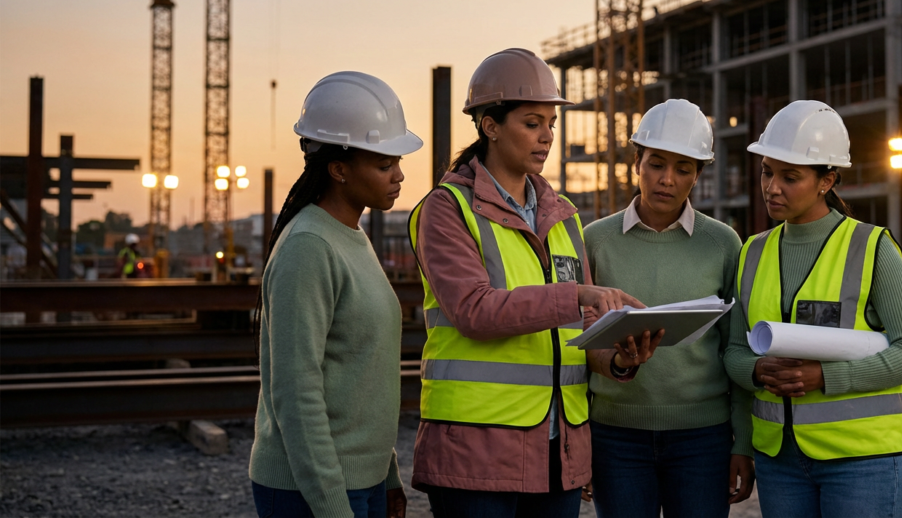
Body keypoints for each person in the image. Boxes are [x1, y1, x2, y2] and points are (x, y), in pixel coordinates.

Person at [408, 48, 663, 518]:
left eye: (551, 123)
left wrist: (619, 359)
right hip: (477, 452)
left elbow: (580, 332)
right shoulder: (447, 209)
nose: (547, 136)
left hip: (557, 448)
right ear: (490, 125)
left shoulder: (560, 214)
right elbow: (473, 310)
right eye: (531, 123)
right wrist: (578, 294)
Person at [724, 100, 902, 518]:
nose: (772, 187)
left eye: (791, 177)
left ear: (827, 181)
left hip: (862, 462)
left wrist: (827, 376)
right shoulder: (751, 252)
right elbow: (732, 351)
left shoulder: (871, 248)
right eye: (767, 171)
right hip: (779, 461)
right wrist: (755, 371)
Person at [248, 72, 422, 518]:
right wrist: (331, 503)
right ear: (339, 169)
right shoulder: (309, 246)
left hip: (356, 483)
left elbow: (362, 376)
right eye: (384, 165)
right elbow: (296, 390)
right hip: (313, 492)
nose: (399, 175)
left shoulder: (349, 236)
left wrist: (386, 475)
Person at [583, 99, 754, 518]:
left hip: (704, 439)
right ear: (636, 162)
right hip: (613, 436)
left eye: (683, 169)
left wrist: (743, 443)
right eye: (657, 164)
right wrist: (578, 443)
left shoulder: (723, 244)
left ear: (698, 175)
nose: (667, 180)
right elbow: (574, 346)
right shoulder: (594, 241)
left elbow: (736, 346)